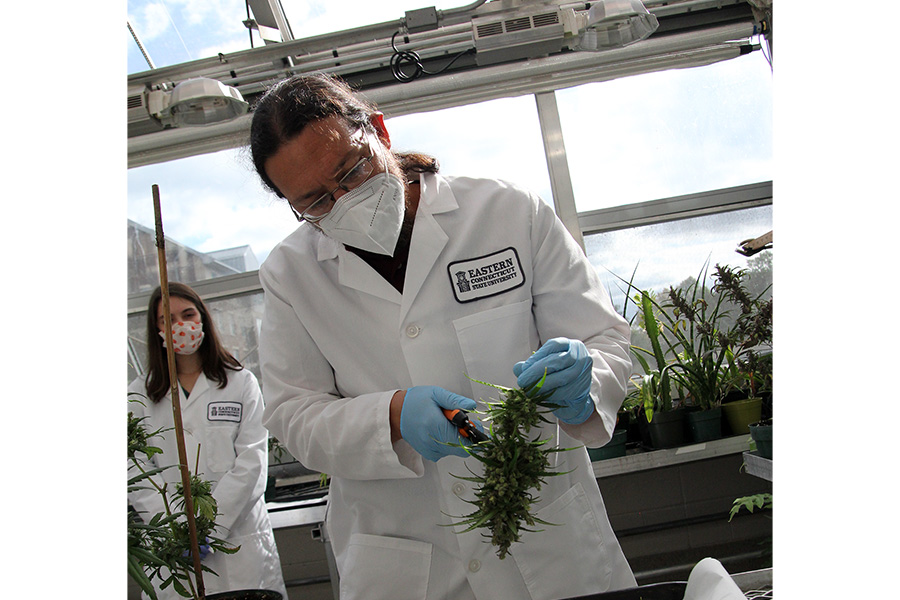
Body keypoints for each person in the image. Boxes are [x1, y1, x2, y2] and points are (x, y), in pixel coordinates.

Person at [250, 73, 636, 600]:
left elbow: (606, 340)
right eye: (316, 201)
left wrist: (586, 381)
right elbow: (294, 415)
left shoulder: (506, 212)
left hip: (549, 538)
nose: (345, 201)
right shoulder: (291, 275)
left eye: (353, 170)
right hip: (408, 559)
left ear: (380, 131)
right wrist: (392, 414)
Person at [128, 282, 287, 599]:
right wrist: (178, 530)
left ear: (202, 318)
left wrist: (209, 528)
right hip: (173, 552)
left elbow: (252, 462)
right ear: (156, 329)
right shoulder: (138, 395)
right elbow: (135, 469)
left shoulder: (240, 382)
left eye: (187, 314)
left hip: (241, 548)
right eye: (168, 319)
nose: (180, 326)